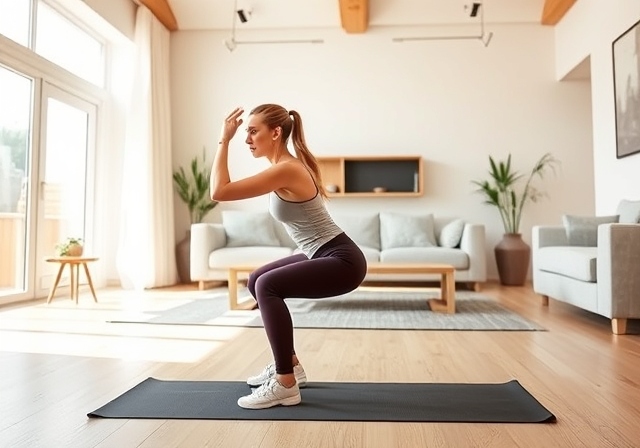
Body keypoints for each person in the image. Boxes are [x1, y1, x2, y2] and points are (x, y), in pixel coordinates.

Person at [211, 104, 367, 410]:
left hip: (342, 260)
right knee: (257, 280)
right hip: (322, 253)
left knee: (267, 286)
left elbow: (220, 191)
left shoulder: (286, 168)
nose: (247, 139)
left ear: (276, 132)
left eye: (253, 131)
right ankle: (291, 365)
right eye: (246, 133)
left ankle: (285, 384)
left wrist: (224, 140)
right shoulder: (282, 166)